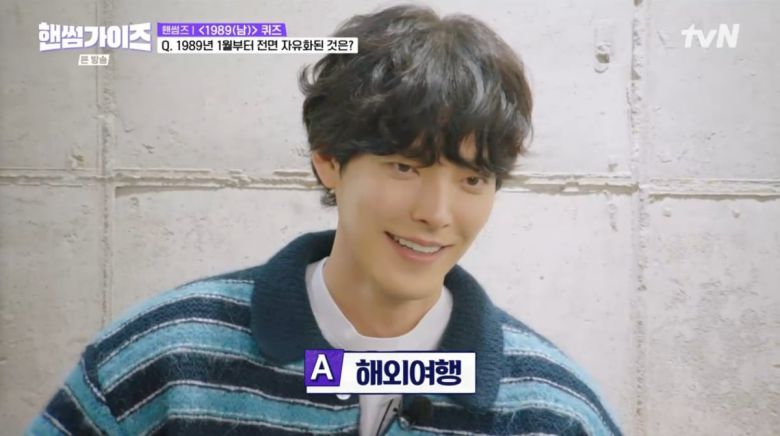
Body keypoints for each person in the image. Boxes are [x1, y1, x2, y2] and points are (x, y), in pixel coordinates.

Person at [27, 4, 623, 435]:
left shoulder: (553, 410)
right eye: (405, 167)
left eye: (472, 179)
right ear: (329, 161)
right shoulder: (163, 364)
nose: (437, 214)